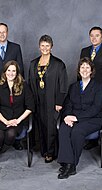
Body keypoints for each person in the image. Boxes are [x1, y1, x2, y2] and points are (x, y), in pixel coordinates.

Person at [57, 57, 102, 179]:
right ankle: (67, 163)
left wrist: (76, 118)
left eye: (87, 67)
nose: (84, 70)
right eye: (82, 67)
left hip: (93, 119)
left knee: (77, 132)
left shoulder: (99, 87)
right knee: (64, 128)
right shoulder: (73, 86)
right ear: (79, 70)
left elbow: (96, 108)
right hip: (74, 117)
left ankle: (72, 165)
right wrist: (67, 116)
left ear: (91, 71)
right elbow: (68, 104)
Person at [0, 60, 34, 168]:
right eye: (9, 70)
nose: (11, 73)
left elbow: (30, 106)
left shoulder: (24, 85)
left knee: (11, 134)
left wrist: (18, 120)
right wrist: (6, 121)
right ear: (4, 72)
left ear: (17, 72)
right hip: (1, 118)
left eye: (14, 71)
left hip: (17, 119)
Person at [29, 35, 68, 163]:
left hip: (52, 100)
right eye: (42, 45)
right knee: (41, 125)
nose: (45, 48)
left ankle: (51, 152)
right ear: (39, 47)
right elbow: (30, 83)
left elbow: (63, 85)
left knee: (51, 126)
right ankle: (43, 149)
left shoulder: (58, 64)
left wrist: (59, 102)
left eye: (47, 45)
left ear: (51, 47)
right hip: (38, 100)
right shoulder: (33, 63)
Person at [0, 22, 24, 89]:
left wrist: (19, 83)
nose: (2, 34)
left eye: (4, 32)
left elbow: (20, 67)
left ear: (7, 32)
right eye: (0, 32)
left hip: (12, 84)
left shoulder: (16, 48)